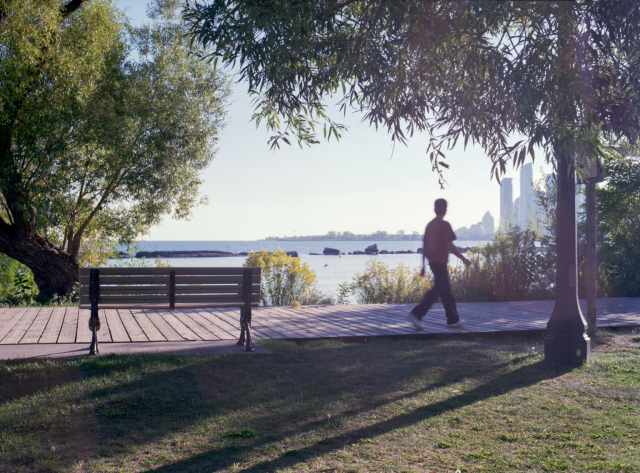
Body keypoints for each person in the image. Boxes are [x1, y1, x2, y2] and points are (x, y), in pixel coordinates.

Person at [407, 198, 471, 330]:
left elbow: (424, 246)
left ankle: (453, 319)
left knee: (445, 291)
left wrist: (423, 265)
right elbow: (450, 245)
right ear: (445, 210)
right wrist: (463, 259)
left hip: (432, 262)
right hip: (440, 262)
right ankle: (417, 313)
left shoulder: (429, 225)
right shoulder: (445, 225)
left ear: (434, 209)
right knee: (438, 289)